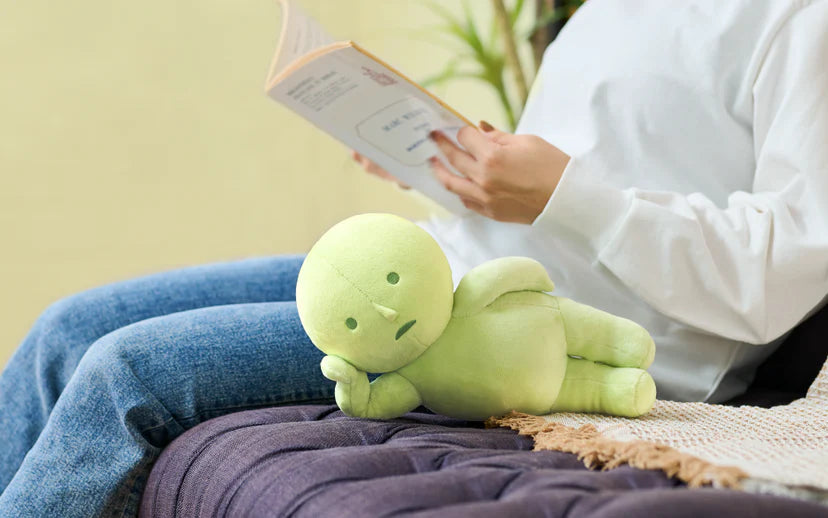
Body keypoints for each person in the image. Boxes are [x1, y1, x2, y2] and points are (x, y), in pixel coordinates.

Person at [1, 0, 826, 515]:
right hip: (442, 262)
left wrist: (560, 194)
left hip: (545, 329)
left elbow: (781, 268)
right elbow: (579, 184)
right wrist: (447, 165)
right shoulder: (606, 10)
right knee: (68, 327)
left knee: (125, 376)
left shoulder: (801, 20)